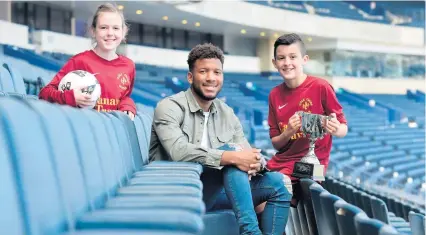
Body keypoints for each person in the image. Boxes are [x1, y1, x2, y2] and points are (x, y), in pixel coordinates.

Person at [149, 43, 291, 235]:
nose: (211, 78)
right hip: (180, 192)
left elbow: (245, 153)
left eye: (217, 72)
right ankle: (251, 232)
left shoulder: (227, 113)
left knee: (278, 184)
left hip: (219, 190)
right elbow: (178, 151)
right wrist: (230, 156)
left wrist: (256, 162)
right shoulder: (169, 107)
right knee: (232, 156)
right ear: (190, 77)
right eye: (203, 71)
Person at [267, 33, 348, 206]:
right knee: (254, 185)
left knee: (276, 189)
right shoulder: (274, 94)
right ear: (275, 63)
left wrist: (335, 128)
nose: (287, 62)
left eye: (292, 57)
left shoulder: (321, 87)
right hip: (281, 162)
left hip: (314, 166)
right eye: (281, 58)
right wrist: (288, 132)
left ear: (304, 59)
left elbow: (343, 128)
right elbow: (276, 144)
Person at [39, 3, 136, 120]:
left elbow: (124, 97)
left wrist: (128, 105)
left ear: (123, 32)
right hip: (85, 131)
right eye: (103, 27)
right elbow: (45, 94)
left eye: (115, 28)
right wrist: (71, 97)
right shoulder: (80, 61)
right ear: (93, 31)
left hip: (111, 134)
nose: (110, 33)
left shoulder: (128, 66)